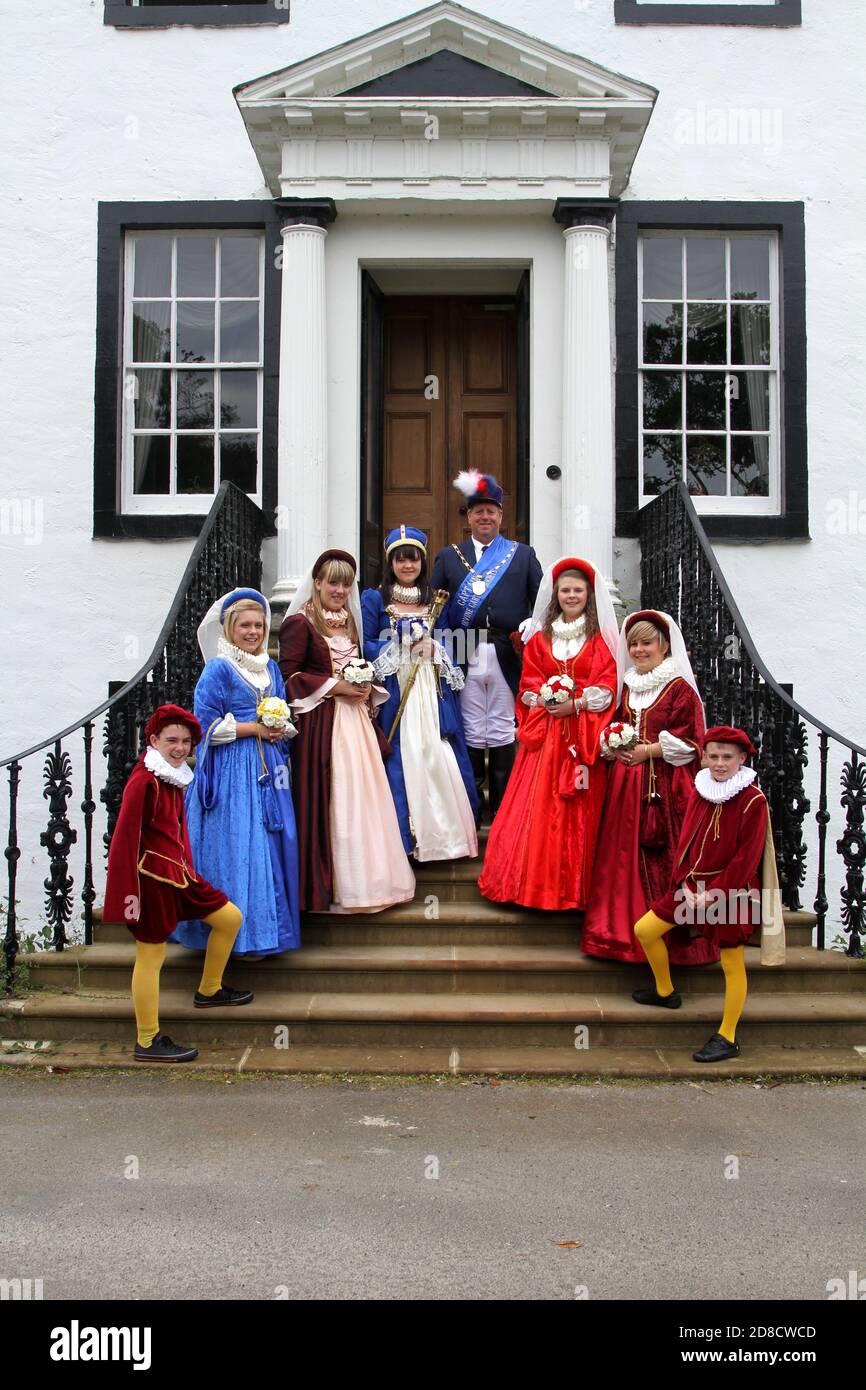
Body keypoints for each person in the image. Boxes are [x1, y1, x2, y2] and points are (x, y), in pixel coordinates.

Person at [103, 704, 253, 1064]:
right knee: (151, 955)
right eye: (172, 740)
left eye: (186, 741)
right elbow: (124, 839)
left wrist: (187, 867)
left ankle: (210, 989)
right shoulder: (144, 780)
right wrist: (127, 896)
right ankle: (148, 1039)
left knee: (229, 918)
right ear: (153, 740)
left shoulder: (171, 775)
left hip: (180, 875)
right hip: (151, 880)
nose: (180, 747)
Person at [631, 726, 785, 1062]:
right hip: (692, 888)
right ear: (704, 756)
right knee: (645, 930)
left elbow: (746, 859)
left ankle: (727, 1036)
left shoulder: (752, 800)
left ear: (742, 759)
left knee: (731, 962)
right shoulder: (703, 789)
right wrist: (684, 883)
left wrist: (714, 895)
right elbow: (688, 839)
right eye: (712, 756)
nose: (719, 763)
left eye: (727, 757)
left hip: (732, 894)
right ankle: (665, 991)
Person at [278, 549, 416, 913]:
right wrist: (337, 687)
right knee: (336, 796)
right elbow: (288, 676)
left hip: (356, 721)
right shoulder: (299, 623)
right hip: (322, 724)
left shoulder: (349, 621)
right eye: (333, 582)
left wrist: (365, 685)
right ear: (317, 583)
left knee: (365, 796)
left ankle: (370, 881)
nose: (339, 590)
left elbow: (359, 665)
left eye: (346, 584)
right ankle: (336, 885)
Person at [477, 557, 617, 910]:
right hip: (545, 738)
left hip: (579, 735)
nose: (572, 596)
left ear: (589, 595)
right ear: (556, 594)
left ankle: (571, 890)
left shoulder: (601, 640)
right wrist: (546, 696)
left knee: (575, 810)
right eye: (566, 590)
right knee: (536, 811)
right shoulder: (542, 639)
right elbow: (528, 681)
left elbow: (607, 684)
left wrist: (577, 704)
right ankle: (531, 886)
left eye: (578, 590)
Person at [581, 610, 718, 967]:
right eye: (634, 644)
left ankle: (669, 944)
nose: (639, 650)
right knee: (619, 860)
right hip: (625, 786)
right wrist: (613, 741)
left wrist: (648, 751)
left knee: (662, 858)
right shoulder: (629, 686)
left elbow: (692, 742)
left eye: (647, 643)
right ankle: (617, 936)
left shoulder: (679, 689)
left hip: (665, 787)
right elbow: (616, 724)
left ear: (664, 646)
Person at [172, 588, 301, 959]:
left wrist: (280, 727)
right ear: (230, 627)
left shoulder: (270, 668)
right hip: (233, 771)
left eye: (259, 625)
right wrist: (255, 729)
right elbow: (204, 726)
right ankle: (232, 936)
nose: (253, 631)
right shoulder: (218, 669)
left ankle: (265, 932)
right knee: (239, 846)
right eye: (245, 624)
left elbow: (284, 713)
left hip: (270, 767)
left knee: (270, 845)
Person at [360, 526, 478, 861]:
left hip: (431, 687)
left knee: (435, 750)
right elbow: (365, 644)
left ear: (422, 562)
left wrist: (436, 647)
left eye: (413, 559)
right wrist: (397, 640)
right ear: (391, 563)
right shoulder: (374, 598)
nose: (407, 566)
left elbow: (456, 642)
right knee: (402, 751)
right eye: (400, 560)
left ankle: (445, 839)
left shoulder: (437, 599)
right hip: (396, 686)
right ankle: (405, 839)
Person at [430, 472, 543, 821]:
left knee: (502, 724)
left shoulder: (522, 555)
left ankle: (503, 809)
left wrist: (532, 624)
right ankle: (473, 806)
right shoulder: (450, 557)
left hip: (508, 650)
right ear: (468, 517)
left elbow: (541, 601)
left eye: (491, 511)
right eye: (477, 511)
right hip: (464, 648)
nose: (484, 517)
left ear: (500, 516)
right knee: (470, 725)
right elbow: (435, 607)